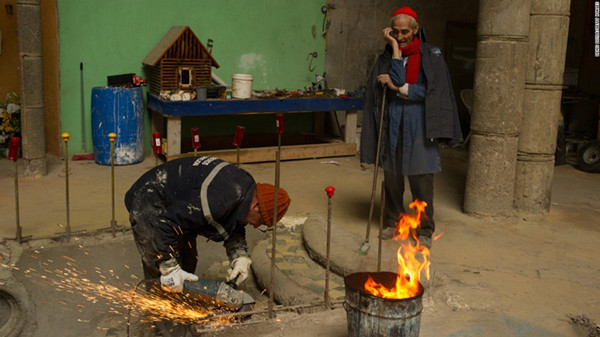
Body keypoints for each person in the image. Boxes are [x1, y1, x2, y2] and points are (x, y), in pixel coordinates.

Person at [360, 7, 462, 249]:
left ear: (416, 30)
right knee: (392, 177)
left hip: (420, 123)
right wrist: (395, 49)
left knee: (421, 180)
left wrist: (399, 89)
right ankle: (393, 222)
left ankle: (424, 229)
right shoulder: (386, 56)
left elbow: (430, 92)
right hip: (393, 121)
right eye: (395, 32)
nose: (400, 35)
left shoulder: (431, 55)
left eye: (405, 32)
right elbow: (390, 81)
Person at [125, 156, 291, 292]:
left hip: (181, 205)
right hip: (150, 199)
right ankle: (159, 323)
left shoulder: (244, 190)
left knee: (188, 261)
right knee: (162, 271)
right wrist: (169, 267)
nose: (256, 226)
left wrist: (239, 255)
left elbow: (233, 221)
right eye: (261, 222)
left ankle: (178, 306)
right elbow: (165, 223)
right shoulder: (217, 200)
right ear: (255, 206)